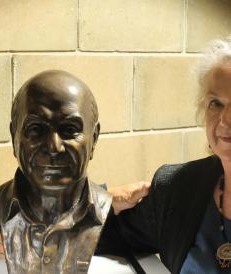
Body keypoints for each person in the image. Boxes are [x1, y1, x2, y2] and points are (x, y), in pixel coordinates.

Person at [103, 36, 231, 274]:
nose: (226, 120)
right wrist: (102, 200)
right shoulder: (177, 187)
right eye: (216, 103)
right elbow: (99, 237)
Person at [0, 70, 112, 274]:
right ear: (14, 137)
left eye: (68, 129)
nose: (53, 147)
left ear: (94, 138)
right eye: (36, 129)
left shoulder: (111, 217)